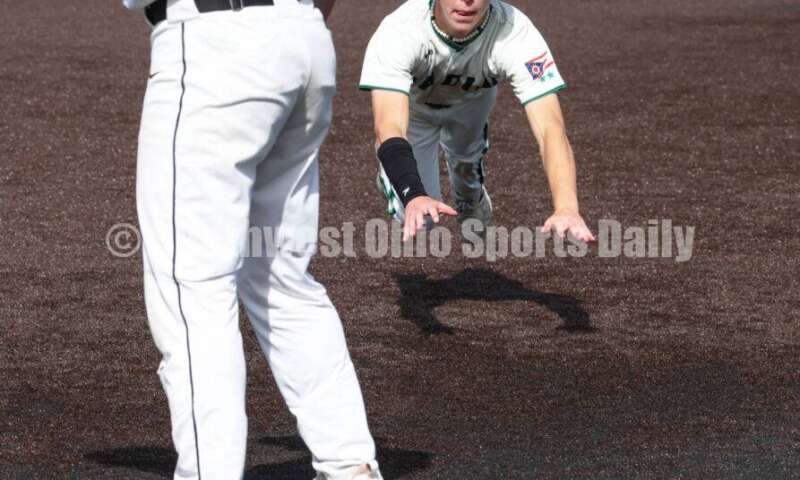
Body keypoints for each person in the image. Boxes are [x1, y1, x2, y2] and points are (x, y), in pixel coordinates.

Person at [123, 0, 381, 478]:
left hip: (215, 46)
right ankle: (350, 465)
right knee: (280, 278)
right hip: (303, 39)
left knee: (192, 289)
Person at [360, 0, 595, 243]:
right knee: (421, 220)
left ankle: (469, 196)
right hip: (414, 112)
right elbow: (389, 126)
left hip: (471, 103)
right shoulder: (399, 30)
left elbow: (550, 128)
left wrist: (567, 207)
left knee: (466, 161)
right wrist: (413, 193)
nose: (468, 0)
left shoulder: (514, 31)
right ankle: (389, 173)